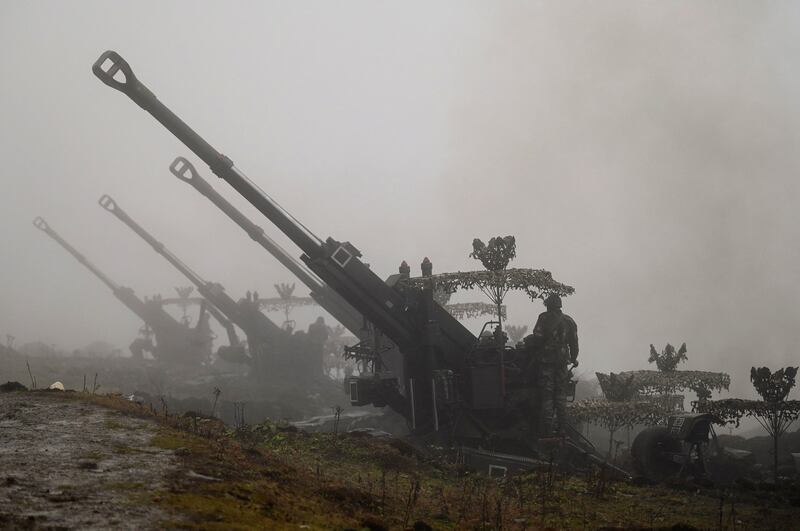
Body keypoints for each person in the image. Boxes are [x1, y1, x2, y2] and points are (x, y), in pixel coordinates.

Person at [527, 294, 578, 436]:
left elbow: (537, 338)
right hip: (562, 363)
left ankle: (547, 431)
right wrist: (573, 358)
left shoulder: (543, 318)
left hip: (546, 362)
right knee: (561, 396)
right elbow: (574, 343)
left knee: (547, 396)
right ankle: (562, 429)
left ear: (548, 305)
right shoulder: (569, 321)